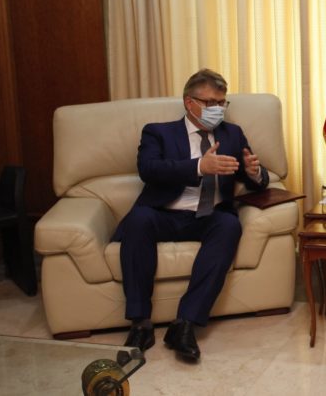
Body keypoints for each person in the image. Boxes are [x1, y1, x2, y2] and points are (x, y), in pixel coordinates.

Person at [113, 68, 268, 362]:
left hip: (209, 216)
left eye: (222, 103)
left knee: (229, 225)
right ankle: (140, 323)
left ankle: (184, 324)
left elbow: (255, 180)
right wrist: (199, 168)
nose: (218, 110)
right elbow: (149, 170)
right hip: (164, 214)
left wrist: (254, 172)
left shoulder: (232, 134)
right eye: (211, 103)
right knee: (138, 220)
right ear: (189, 102)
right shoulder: (158, 132)